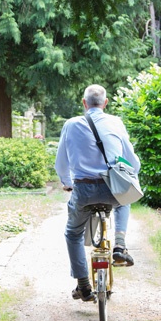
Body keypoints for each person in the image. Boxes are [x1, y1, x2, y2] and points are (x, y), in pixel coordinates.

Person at [55, 84, 141, 301]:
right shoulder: (115, 122)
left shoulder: (71, 124)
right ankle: (120, 245)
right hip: (112, 188)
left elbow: (61, 163)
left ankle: (83, 285)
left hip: (83, 189)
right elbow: (133, 161)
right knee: (124, 200)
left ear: (84, 103)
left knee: (73, 233)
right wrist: (130, 175)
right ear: (105, 102)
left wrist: (67, 183)